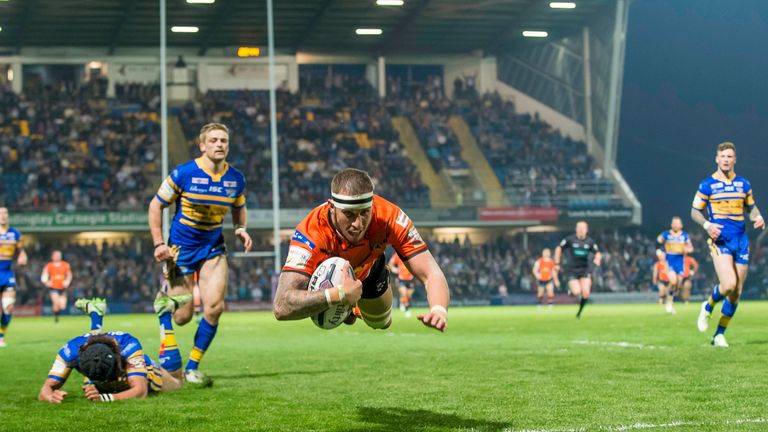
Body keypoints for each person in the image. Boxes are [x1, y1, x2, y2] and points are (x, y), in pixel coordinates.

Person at [274, 168, 449, 332]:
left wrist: (439, 310)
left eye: (365, 213)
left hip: (368, 270)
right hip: (329, 280)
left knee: (381, 323)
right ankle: (347, 303)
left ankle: (355, 303)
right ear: (332, 207)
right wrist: (338, 294)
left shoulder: (390, 217)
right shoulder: (310, 232)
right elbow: (281, 306)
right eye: (349, 214)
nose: (358, 224)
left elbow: (432, 273)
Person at [148, 123, 253, 384]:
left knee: (215, 308)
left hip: (213, 249)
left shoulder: (235, 178)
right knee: (182, 316)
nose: (220, 144)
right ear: (202, 145)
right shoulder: (183, 174)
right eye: (214, 140)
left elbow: (239, 206)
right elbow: (155, 205)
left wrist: (240, 228)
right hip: (180, 251)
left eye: (224, 141)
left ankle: (192, 367)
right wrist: (158, 243)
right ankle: (164, 309)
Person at [38, 295, 190, 403]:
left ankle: (165, 315)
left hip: (145, 371)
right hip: (97, 353)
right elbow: (45, 389)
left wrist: (105, 398)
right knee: (95, 354)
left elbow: (140, 391)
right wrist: (50, 396)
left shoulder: (128, 346)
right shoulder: (70, 351)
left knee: (177, 380)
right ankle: (96, 314)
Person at [692, 142, 764, 347]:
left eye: (729, 156)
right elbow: (694, 211)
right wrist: (707, 225)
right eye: (722, 156)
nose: (726, 159)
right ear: (716, 159)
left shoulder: (744, 184)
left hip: (741, 240)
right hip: (720, 240)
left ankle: (719, 335)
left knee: (736, 292)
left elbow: (752, 208)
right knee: (728, 284)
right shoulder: (707, 184)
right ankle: (708, 305)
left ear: (735, 160)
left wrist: (758, 217)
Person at [554, 221, 601, 319]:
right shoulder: (569, 240)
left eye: (583, 228)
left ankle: (579, 313)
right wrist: (557, 263)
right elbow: (559, 248)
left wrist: (597, 260)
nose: (581, 230)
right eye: (579, 228)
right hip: (572, 270)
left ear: (586, 230)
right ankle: (571, 291)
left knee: (586, 293)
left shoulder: (590, 241)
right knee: (576, 292)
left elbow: (597, 253)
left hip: (585, 270)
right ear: (576, 229)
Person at [0, 206, 28, 347]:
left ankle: (1, 336)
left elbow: (20, 250)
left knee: (8, 306)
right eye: (0, 214)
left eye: (5, 213)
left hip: (7, 274)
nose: (3, 216)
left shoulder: (15, 233)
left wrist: (22, 255)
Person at [657, 217, 693, 311]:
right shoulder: (667, 234)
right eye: (674, 223)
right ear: (671, 225)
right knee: (673, 281)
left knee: (678, 285)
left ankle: (671, 299)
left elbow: (691, 248)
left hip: (680, 262)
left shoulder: (684, 235)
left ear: (681, 225)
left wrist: (688, 249)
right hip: (670, 261)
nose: (676, 225)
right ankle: (668, 300)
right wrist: (660, 248)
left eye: (678, 223)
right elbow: (658, 241)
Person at [41, 250, 73, 323]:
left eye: (59, 255)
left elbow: (69, 274)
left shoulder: (65, 265)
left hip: (62, 288)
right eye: (56, 255)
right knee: (56, 303)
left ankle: (57, 313)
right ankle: (56, 318)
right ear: (52, 257)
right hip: (53, 287)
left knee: (62, 306)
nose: (58, 256)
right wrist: (46, 282)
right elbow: (44, 275)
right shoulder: (49, 265)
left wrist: (67, 281)